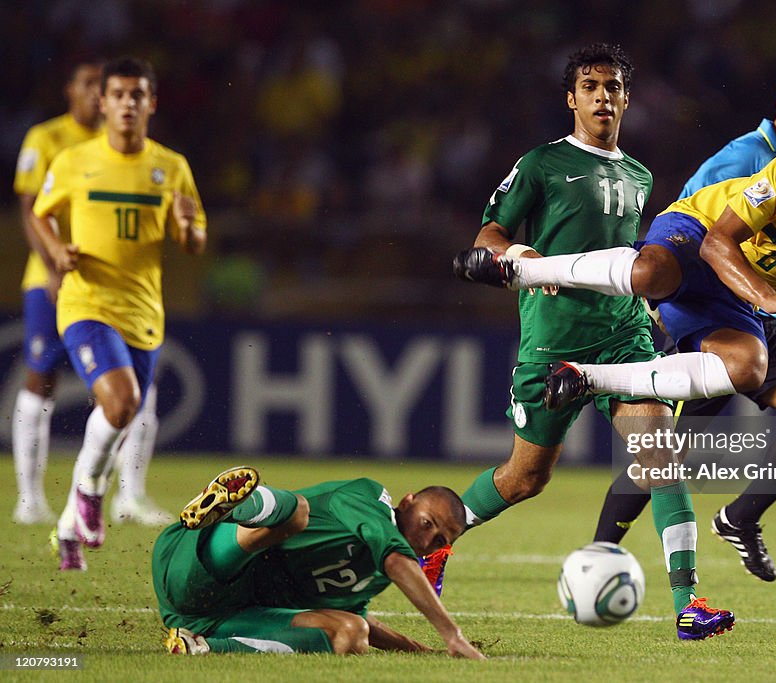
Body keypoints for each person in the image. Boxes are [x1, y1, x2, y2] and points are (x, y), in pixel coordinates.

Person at [456, 151, 776, 579]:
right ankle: (529, 272)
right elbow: (716, 244)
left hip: (747, 311)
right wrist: (769, 296)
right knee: (652, 287)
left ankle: (739, 519)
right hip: (696, 242)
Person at [449, 43, 735, 641]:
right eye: (590, 86)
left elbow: (636, 260)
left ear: (627, 98)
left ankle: (690, 603)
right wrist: (526, 258)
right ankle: (434, 541)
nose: (602, 96)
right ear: (572, 99)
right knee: (526, 478)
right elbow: (490, 234)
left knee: (659, 454)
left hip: (625, 339)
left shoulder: (640, 177)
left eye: (613, 87)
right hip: (552, 343)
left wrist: (650, 307)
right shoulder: (541, 164)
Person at [592, 63, 776, 582]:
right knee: (664, 451)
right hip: (709, 311)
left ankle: (740, 518)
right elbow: (688, 227)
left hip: (755, 313)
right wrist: (661, 303)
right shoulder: (748, 158)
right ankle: (598, 554)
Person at [30, 56, 206, 570]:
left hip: (143, 310)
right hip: (85, 302)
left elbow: (194, 242)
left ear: (151, 103)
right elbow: (40, 215)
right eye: (119, 95)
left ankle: (67, 527)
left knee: (121, 416)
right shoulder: (73, 161)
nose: (127, 103)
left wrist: (187, 226)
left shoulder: (170, 168)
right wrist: (56, 253)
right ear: (101, 102)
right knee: (122, 399)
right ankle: (89, 493)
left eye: (137, 95)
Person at [11, 59, 170, 527]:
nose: (98, 95)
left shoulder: (128, 148)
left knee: (138, 389)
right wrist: (52, 261)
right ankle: (29, 498)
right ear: (75, 92)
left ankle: (131, 495)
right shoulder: (48, 140)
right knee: (41, 379)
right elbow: (30, 210)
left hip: (119, 290)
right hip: (48, 281)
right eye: (88, 85)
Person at [153, 466, 484, 659]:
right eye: (426, 524)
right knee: (297, 512)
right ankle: (236, 504)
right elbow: (397, 560)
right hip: (196, 562)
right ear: (406, 502)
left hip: (214, 615)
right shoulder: (369, 498)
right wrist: (451, 635)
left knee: (352, 633)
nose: (426, 542)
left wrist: (424, 651)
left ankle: (201, 646)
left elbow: (354, 617)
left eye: (440, 541)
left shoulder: (379, 573)